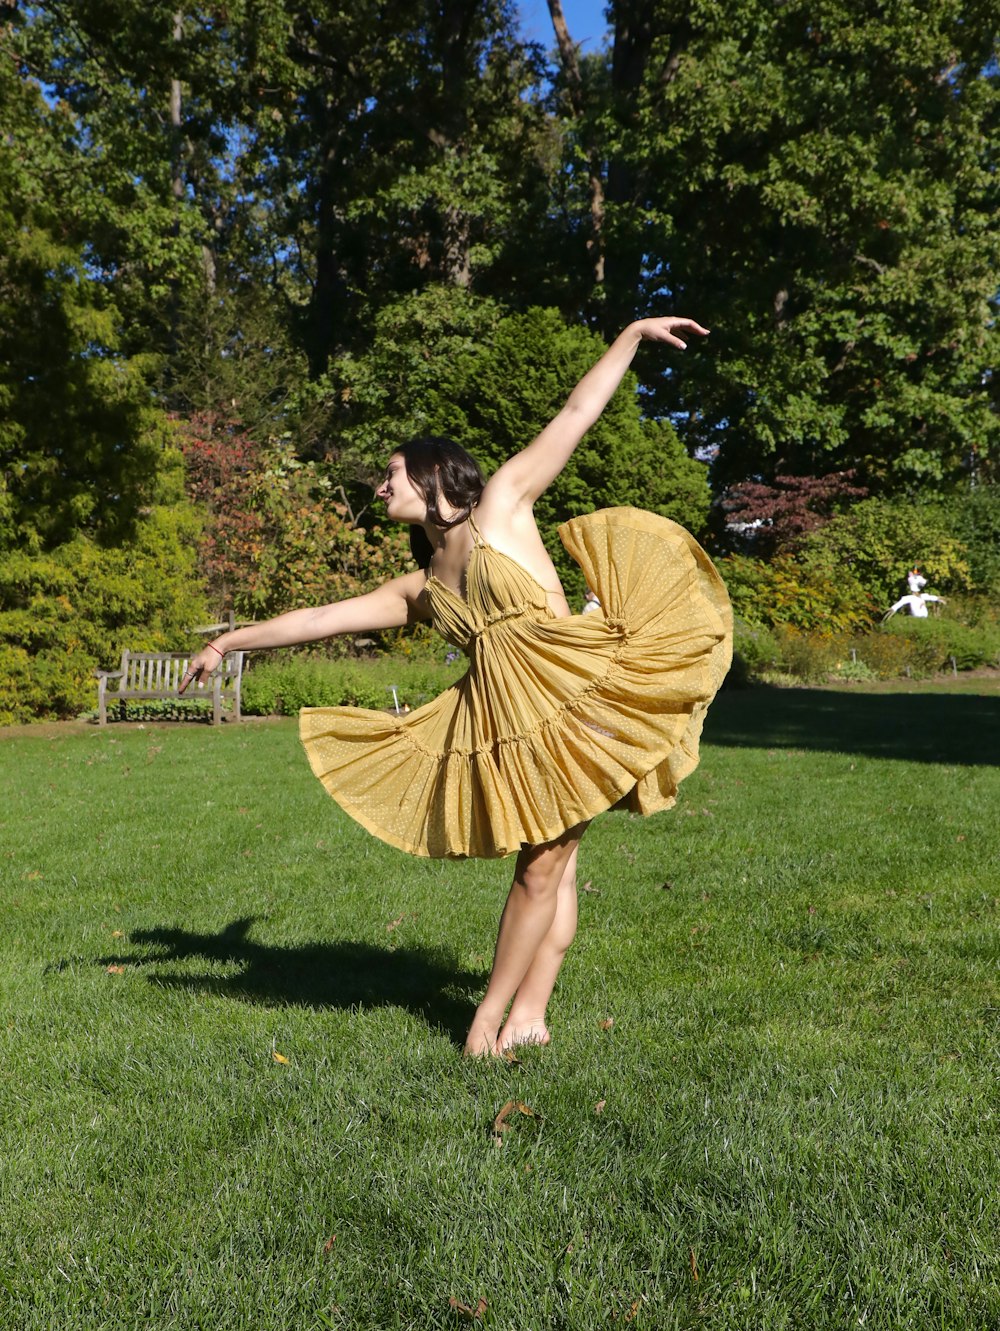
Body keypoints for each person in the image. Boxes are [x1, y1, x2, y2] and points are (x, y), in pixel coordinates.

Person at [181, 317, 733, 1057]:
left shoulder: (503, 503)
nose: (381, 486)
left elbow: (574, 415)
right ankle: (530, 1016)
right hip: (506, 720)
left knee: (544, 866)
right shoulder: (419, 585)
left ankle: (487, 1022)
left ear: (435, 475)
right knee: (551, 866)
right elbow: (317, 617)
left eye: (392, 473)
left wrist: (631, 336)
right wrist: (227, 640)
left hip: (576, 699)